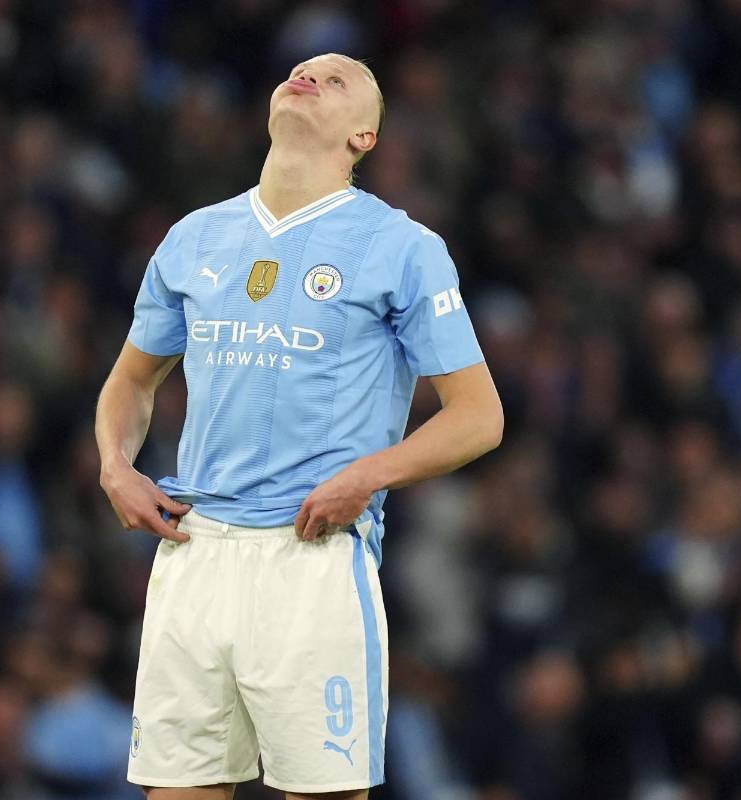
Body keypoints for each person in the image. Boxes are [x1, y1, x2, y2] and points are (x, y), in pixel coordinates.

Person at [94, 53, 503, 800]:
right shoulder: (194, 237)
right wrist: (115, 466)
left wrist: (366, 476)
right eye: (301, 70)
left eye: (337, 80)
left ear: (363, 137)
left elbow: (479, 416)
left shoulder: (403, 248)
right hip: (194, 550)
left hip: (310, 553)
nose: (309, 76)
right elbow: (131, 380)